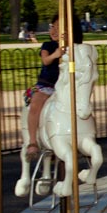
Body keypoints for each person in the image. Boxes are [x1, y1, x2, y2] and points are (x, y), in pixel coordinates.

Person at [24, 15, 83, 161]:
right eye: (53, 26)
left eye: (59, 27)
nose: (54, 30)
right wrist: (56, 54)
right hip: (47, 86)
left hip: (64, 86)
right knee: (36, 105)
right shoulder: (47, 46)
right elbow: (45, 60)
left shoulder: (73, 48)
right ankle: (32, 141)